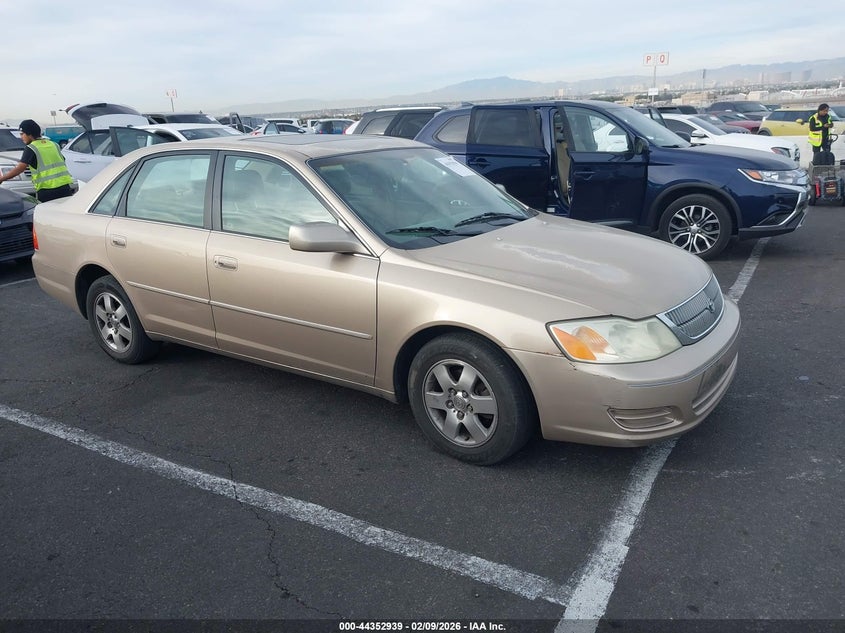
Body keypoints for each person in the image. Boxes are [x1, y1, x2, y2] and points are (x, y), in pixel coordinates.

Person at [0, 119, 75, 202]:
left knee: (45, 214)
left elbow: (20, 168)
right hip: (65, 187)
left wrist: (2, 178)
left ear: (29, 134)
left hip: (47, 189)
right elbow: (61, 160)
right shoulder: (54, 144)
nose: (21, 137)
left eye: (22, 134)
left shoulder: (31, 148)